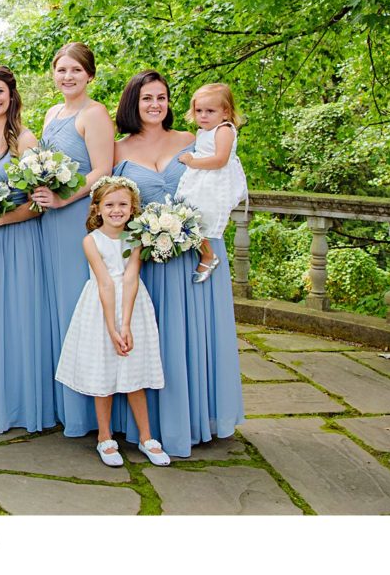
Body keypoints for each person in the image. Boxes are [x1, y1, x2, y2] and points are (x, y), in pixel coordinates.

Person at [113, 69, 245, 458]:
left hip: (192, 255)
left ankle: (196, 420)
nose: (155, 105)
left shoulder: (193, 139)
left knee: (194, 336)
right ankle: (146, 424)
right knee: (151, 338)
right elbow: (107, 201)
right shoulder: (118, 149)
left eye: (162, 98)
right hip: (147, 261)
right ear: (133, 103)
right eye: (147, 98)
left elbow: (221, 183)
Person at [54, 177, 169, 467]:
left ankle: (146, 437)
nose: (116, 210)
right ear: (97, 209)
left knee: (134, 373)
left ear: (132, 209)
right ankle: (105, 437)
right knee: (102, 373)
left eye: (122, 204)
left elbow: (130, 278)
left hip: (133, 305)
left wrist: (126, 324)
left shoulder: (136, 239)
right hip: (99, 308)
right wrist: (111, 326)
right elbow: (105, 283)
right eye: (109, 204)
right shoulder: (91, 241)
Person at [0, 65, 56, 432]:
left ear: (11, 94)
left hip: (17, 243)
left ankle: (20, 406)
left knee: (18, 321)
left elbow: (37, 204)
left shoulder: (27, 141)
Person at [35, 42, 114, 436]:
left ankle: (86, 415)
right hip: (49, 221)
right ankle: (62, 405)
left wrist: (64, 196)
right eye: (61, 69)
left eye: (75, 71)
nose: (67, 76)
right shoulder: (52, 113)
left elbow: (103, 168)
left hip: (76, 222)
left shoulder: (95, 113)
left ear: (90, 76)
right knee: (55, 309)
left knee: (77, 309)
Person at [175, 83, 249, 282]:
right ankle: (206, 253)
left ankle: (208, 255)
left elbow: (220, 160)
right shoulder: (204, 131)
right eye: (198, 111)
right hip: (202, 178)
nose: (203, 116)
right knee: (184, 216)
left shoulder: (224, 130)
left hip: (215, 181)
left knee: (196, 217)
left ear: (225, 113)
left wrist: (192, 161)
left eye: (210, 111)